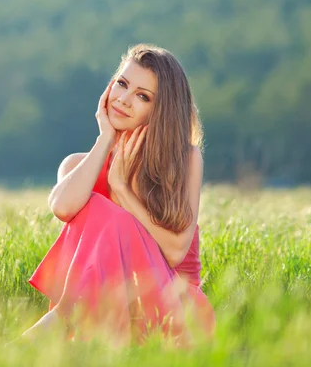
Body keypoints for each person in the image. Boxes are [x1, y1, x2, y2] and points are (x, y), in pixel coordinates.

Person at [21, 44, 215, 347]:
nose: (123, 100)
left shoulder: (185, 160)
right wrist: (105, 139)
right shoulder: (77, 165)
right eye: (122, 84)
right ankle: (71, 318)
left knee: (108, 212)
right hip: (104, 311)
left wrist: (122, 190)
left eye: (142, 96)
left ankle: (60, 320)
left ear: (160, 110)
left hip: (173, 309)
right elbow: (62, 207)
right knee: (98, 206)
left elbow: (176, 252)